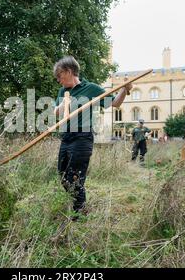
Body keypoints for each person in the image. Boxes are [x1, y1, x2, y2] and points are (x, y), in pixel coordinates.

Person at [54, 56, 132, 218]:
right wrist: (64, 104)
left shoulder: (91, 89)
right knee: (63, 176)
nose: (59, 81)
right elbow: (56, 113)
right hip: (66, 137)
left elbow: (115, 103)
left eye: (60, 77)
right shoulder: (63, 91)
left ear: (69, 72)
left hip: (82, 138)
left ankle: (79, 214)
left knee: (75, 177)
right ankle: (79, 206)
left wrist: (125, 89)